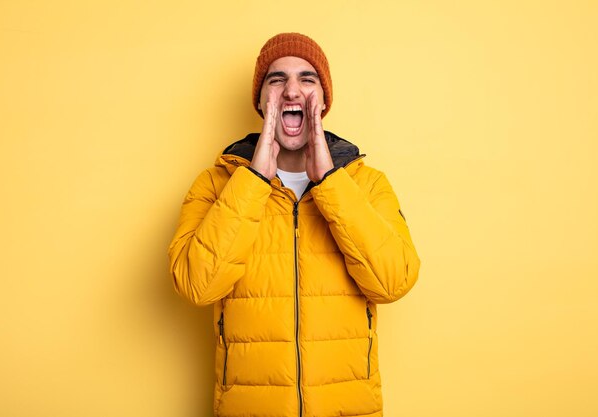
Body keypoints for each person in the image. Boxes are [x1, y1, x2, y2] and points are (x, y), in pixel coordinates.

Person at [168, 32, 420, 417]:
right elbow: (197, 286)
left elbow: (393, 282)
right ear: (260, 100)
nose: (291, 91)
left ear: (323, 101)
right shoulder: (217, 186)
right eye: (276, 79)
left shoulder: (366, 185)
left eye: (307, 79)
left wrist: (330, 183)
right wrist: (254, 181)